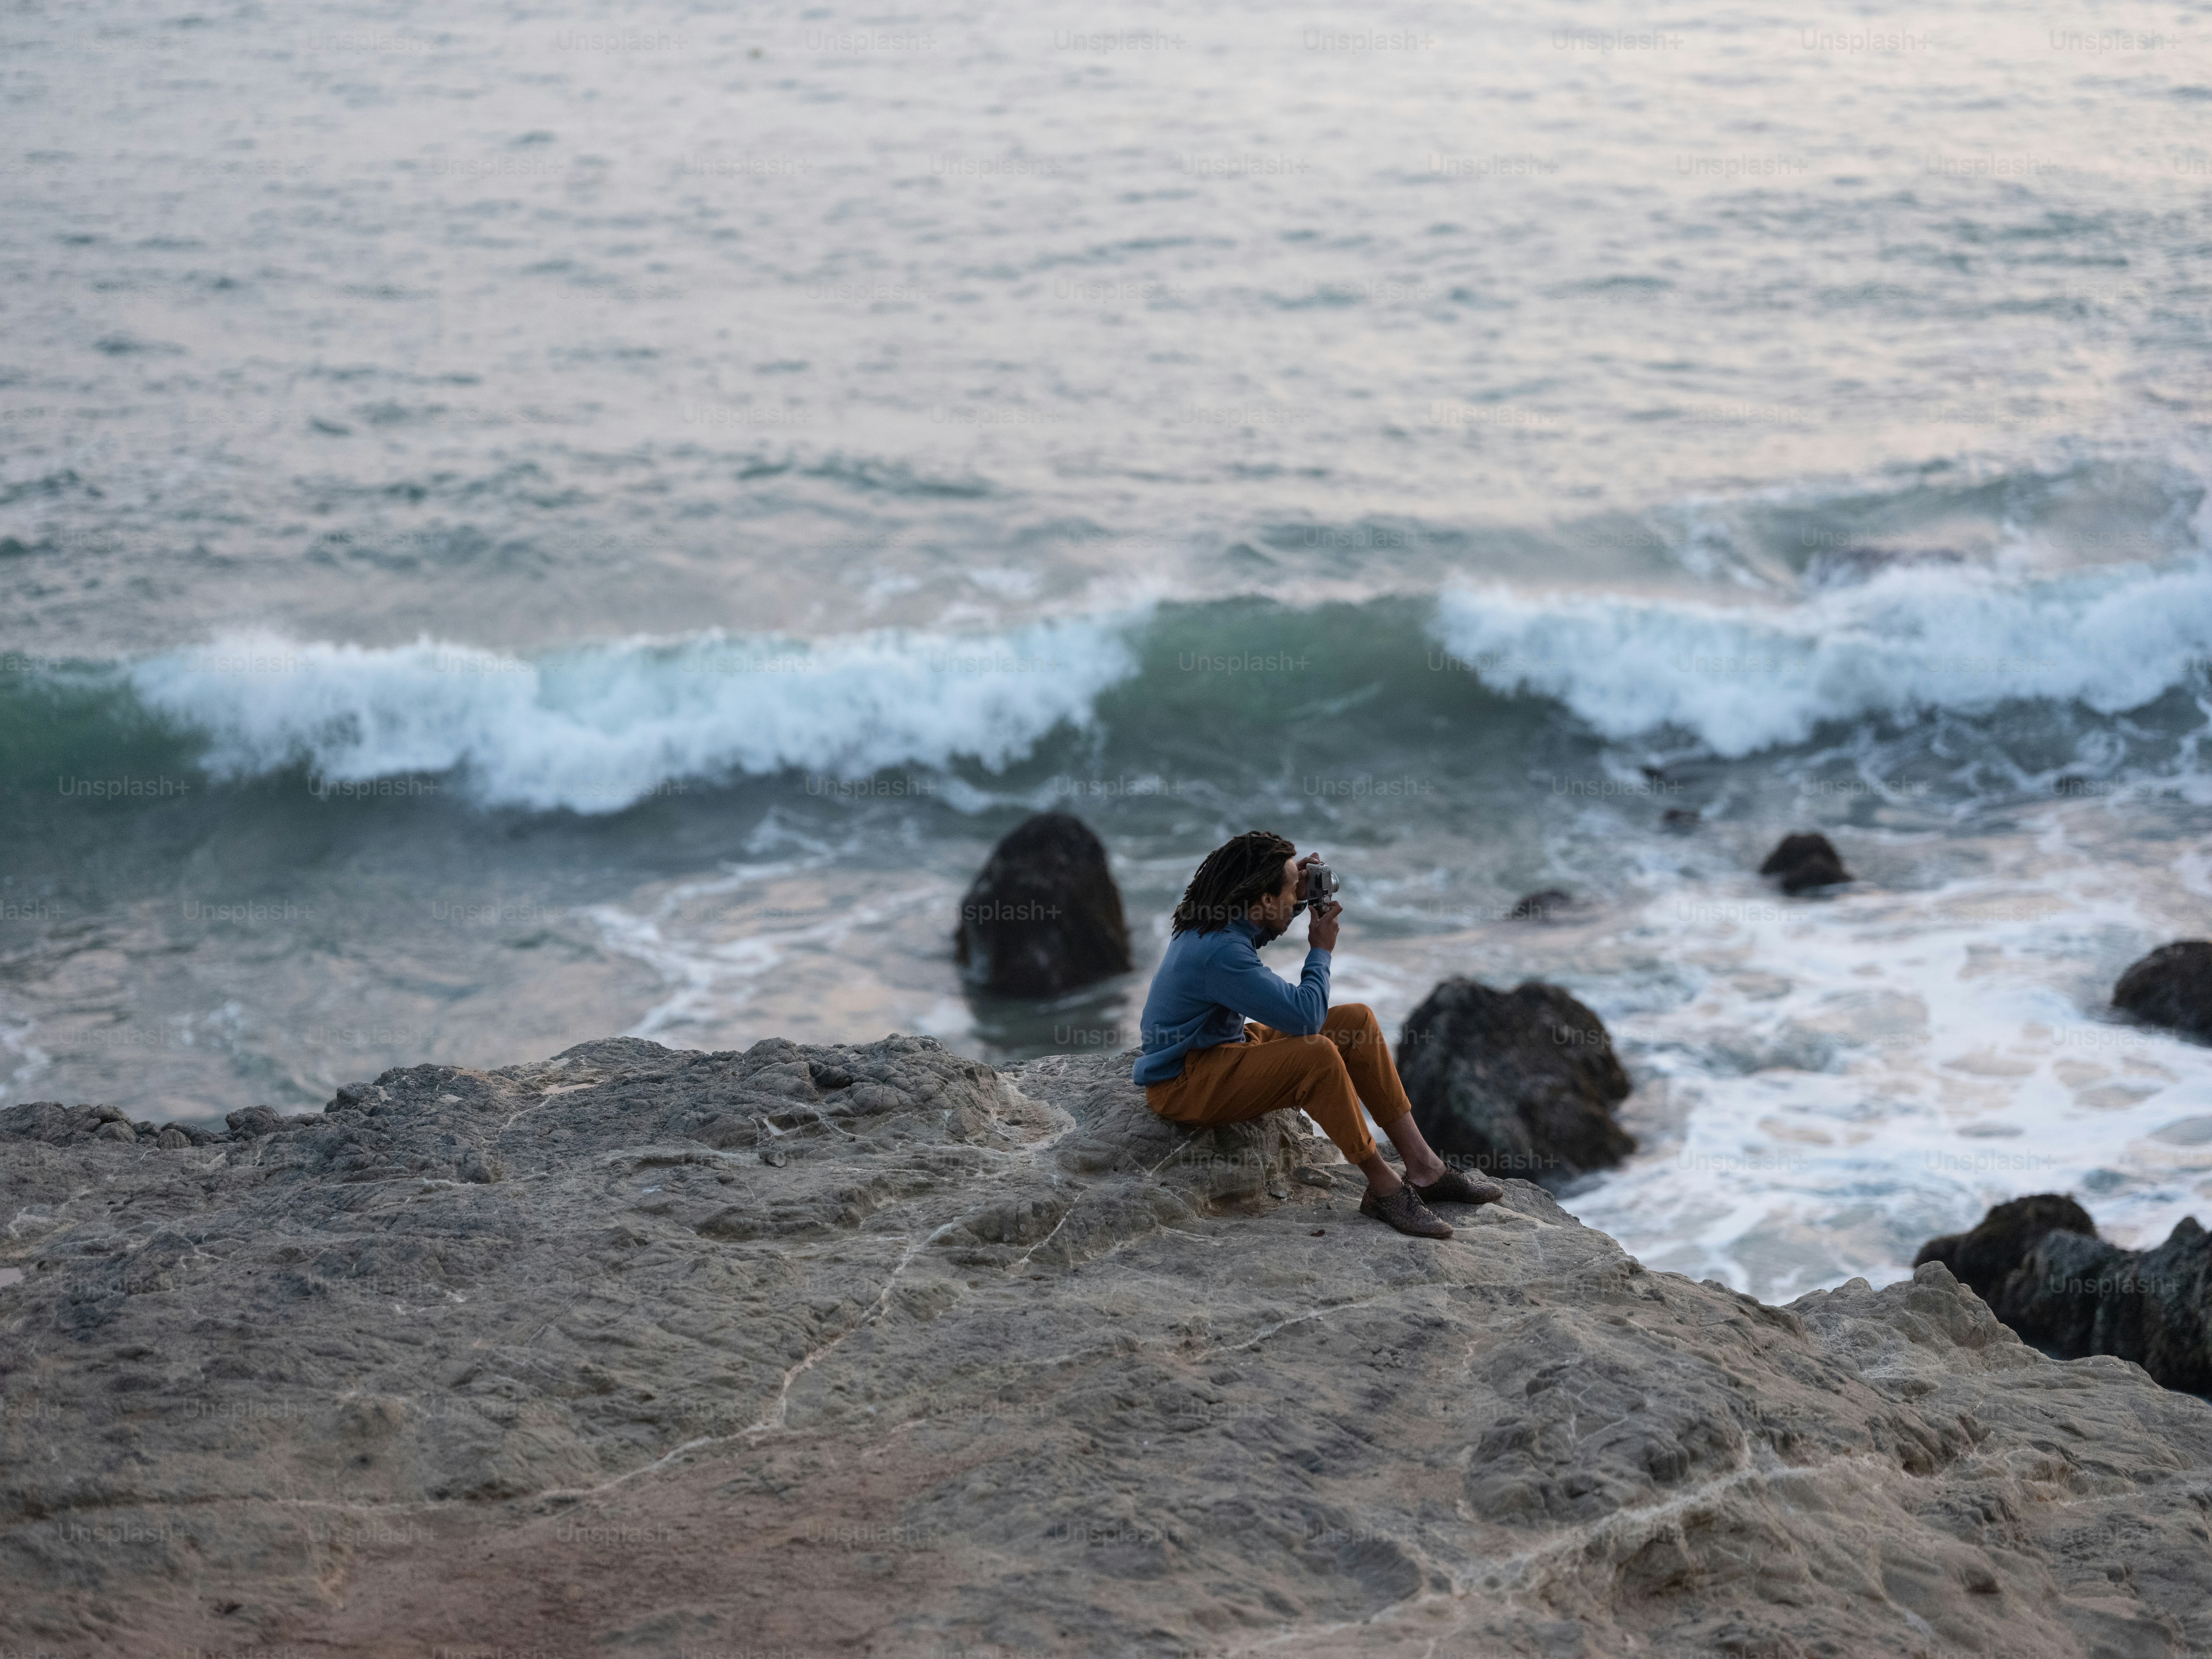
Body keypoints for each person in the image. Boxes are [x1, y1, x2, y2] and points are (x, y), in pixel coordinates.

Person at [1132, 829, 1502, 1239]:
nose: (1297, 899)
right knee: (1317, 1055)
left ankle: (1425, 1168)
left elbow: (1262, 926)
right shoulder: (1220, 953)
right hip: (1184, 1082)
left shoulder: (1214, 920)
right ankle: (1384, 1189)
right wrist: (1321, 950)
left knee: (1357, 1022)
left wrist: (1295, 892)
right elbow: (1306, 1020)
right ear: (1265, 899)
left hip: (1220, 1050)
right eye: (1291, 891)